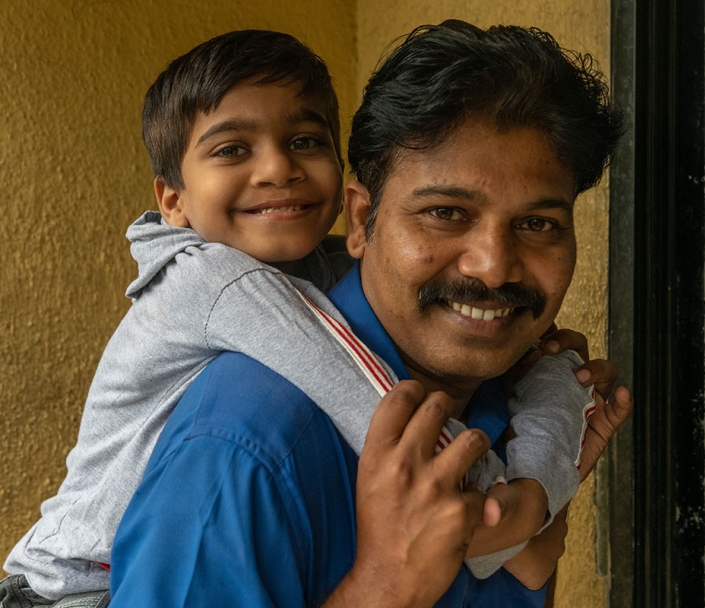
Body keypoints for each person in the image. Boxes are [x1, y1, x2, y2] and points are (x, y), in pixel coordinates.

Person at [1, 27, 605, 608]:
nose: (494, 268)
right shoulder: (247, 428)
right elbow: (366, 395)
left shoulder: (474, 375)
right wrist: (501, 520)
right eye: (445, 212)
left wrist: (553, 405)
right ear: (364, 220)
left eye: (537, 224)